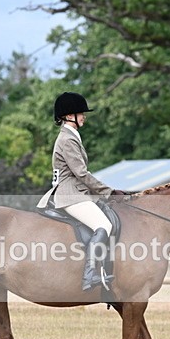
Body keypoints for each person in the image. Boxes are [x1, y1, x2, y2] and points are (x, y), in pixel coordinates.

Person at [37, 92, 128, 291]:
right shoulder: (67, 139)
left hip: (75, 192)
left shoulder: (71, 136)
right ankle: (90, 274)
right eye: (80, 113)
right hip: (70, 194)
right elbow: (81, 173)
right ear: (69, 116)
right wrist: (108, 192)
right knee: (103, 224)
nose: (84, 116)